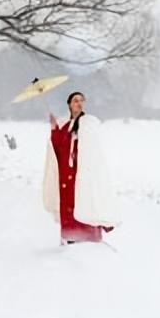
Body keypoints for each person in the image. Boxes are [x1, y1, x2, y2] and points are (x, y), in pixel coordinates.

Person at [42, 91, 119, 244]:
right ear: (69, 104)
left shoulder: (88, 123)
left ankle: (90, 238)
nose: (79, 103)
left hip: (82, 173)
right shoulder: (65, 125)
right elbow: (59, 147)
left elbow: (93, 149)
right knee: (68, 206)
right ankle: (70, 237)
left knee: (85, 201)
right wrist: (54, 128)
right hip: (66, 174)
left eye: (81, 100)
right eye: (75, 100)